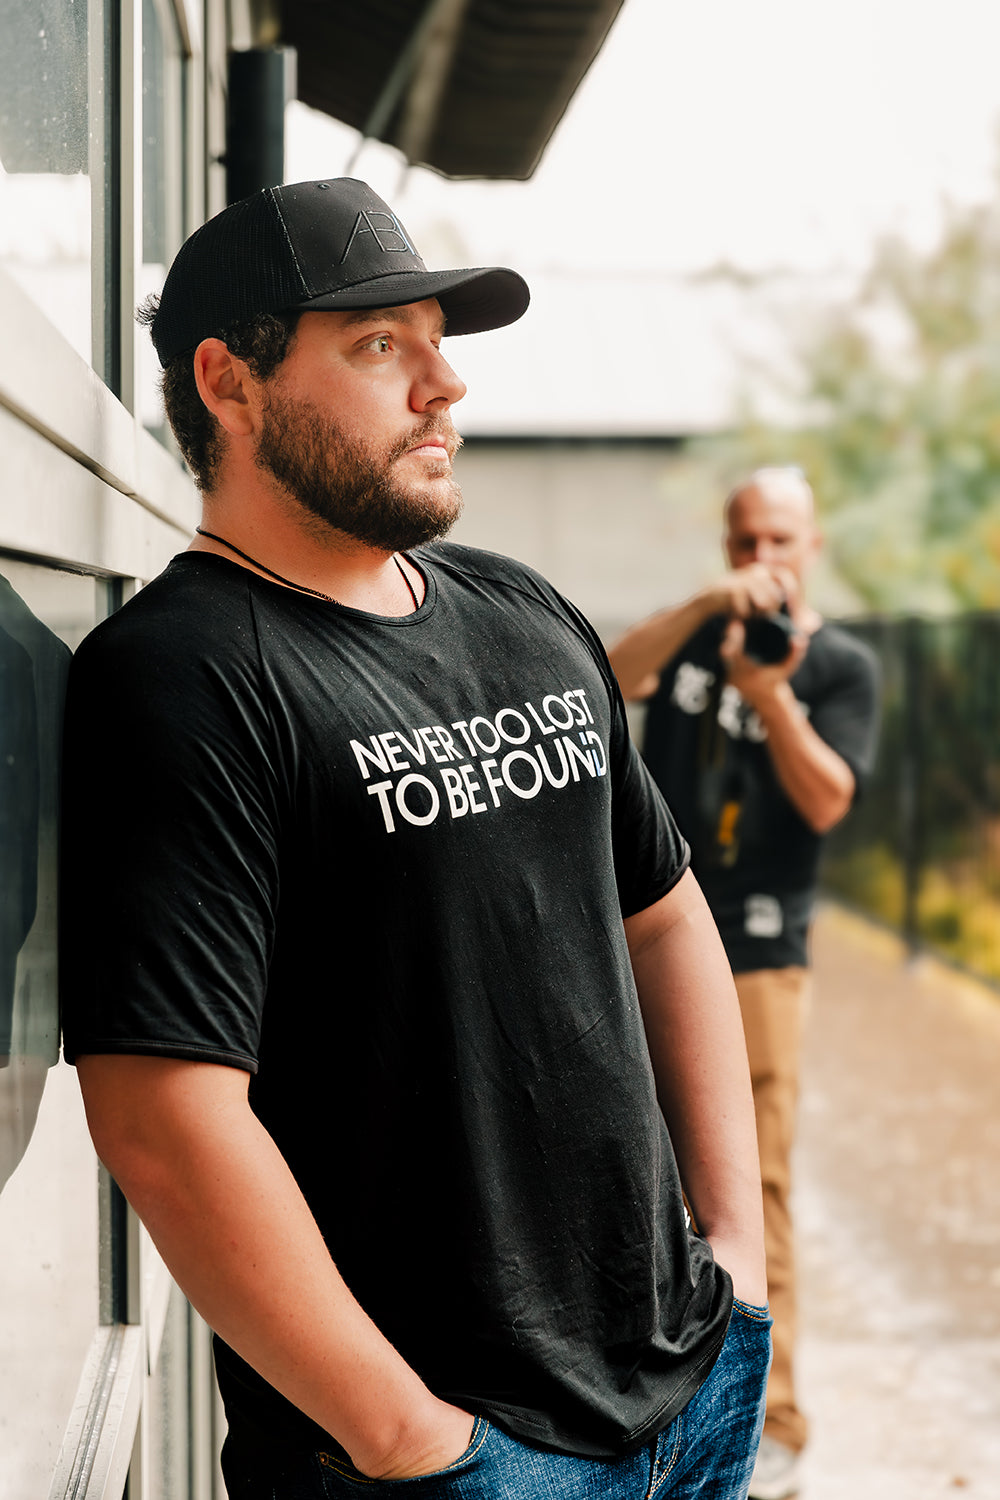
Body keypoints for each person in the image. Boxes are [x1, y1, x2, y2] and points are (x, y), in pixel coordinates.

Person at [60, 177, 770, 1500]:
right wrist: (414, 1441)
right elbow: (163, 1115)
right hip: (449, 1456)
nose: (443, 386)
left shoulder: (523, 609)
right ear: (230, 382)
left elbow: (663, 912)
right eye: (382, 345)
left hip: (689, 1390)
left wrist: (738, 1261)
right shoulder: (181, 676)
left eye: (439, 342)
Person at [608, 468, 880, 1500]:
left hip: (760, 953)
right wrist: (709, 612)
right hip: (647, 943)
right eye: (742, 543)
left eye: (777, 540)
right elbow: (607, 676)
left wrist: (770, 694)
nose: (760, 561)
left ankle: (773, 1423)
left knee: (749, 1191)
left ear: (810, 545)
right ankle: (656, 1405)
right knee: (638, 1177)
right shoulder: (693, 631)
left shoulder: (838, 664)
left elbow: (827, 802)